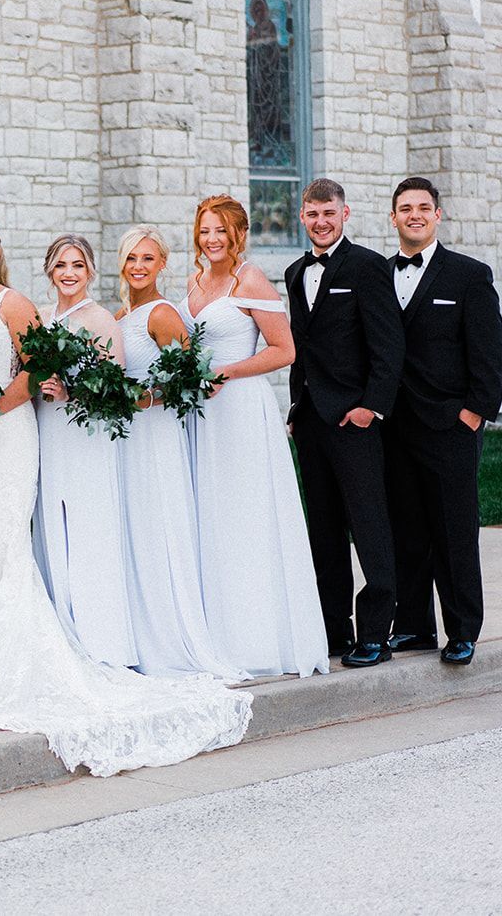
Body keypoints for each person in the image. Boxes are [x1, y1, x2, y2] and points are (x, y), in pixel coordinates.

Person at [0, 217, 253, 778]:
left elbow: (36, 366)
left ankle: (14, 655)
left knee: (4, 536)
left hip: (4, 433)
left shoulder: (15, 303)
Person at [180, 195, 328, 679]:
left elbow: (284, 350)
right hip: (201, 417)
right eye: (205, 230)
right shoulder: (194, 282)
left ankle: (257, 639)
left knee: (245, 519)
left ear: (237, 234)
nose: (212, 239)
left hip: (241, 410)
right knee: (209, 519)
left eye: (220, 230)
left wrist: (228, 371)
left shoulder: (251, 279)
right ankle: (213, 633)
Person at [384, 177, 502, 666]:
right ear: (392, 217)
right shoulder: (377, 273)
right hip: (394, 425)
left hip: (450, 426)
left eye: (423, 207)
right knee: (406, 530)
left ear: (438, 215)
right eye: (405, 208)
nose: (414, 215)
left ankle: (462, 630)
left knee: (455, 532)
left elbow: (490, 354)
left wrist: (474, 414)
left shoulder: (469, 276)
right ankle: (413, 627)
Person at [283, 178, 405, 668]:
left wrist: (370, 406)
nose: (320, 222)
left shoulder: (369, 266)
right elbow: (299, 351)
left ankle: (375, 632)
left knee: (369, 524)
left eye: (328, 213)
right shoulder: (295, 272)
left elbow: (388, 344)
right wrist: (295, 409)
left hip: (354, 419)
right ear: (302, 217)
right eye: (312, 214)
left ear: (345, 213)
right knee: (325, 529)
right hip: (311, 420)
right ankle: (334, 630)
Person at [112, 226, 243, 680]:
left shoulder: (162, 313)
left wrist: (142, 400)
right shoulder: (121, 313)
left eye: (148, 259)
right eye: (131, 258)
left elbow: (189, 382)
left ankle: (169, 636)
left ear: (162, 264)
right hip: (128, 438)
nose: (138, 267)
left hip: (155, 434)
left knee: (158, 525)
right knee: (135, 528)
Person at [32, 235, 138, 667]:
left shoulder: (100, 320)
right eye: (60, 265)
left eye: (77, 265)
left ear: (91, 271)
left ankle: (100, 637)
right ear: (49, 271)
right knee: (51, 523)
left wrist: (70, 393)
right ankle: (59, 628)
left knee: (88, 524)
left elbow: (116, 393)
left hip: (85, 437)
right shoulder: (38, 318)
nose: (69, 273)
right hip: (47, 431)